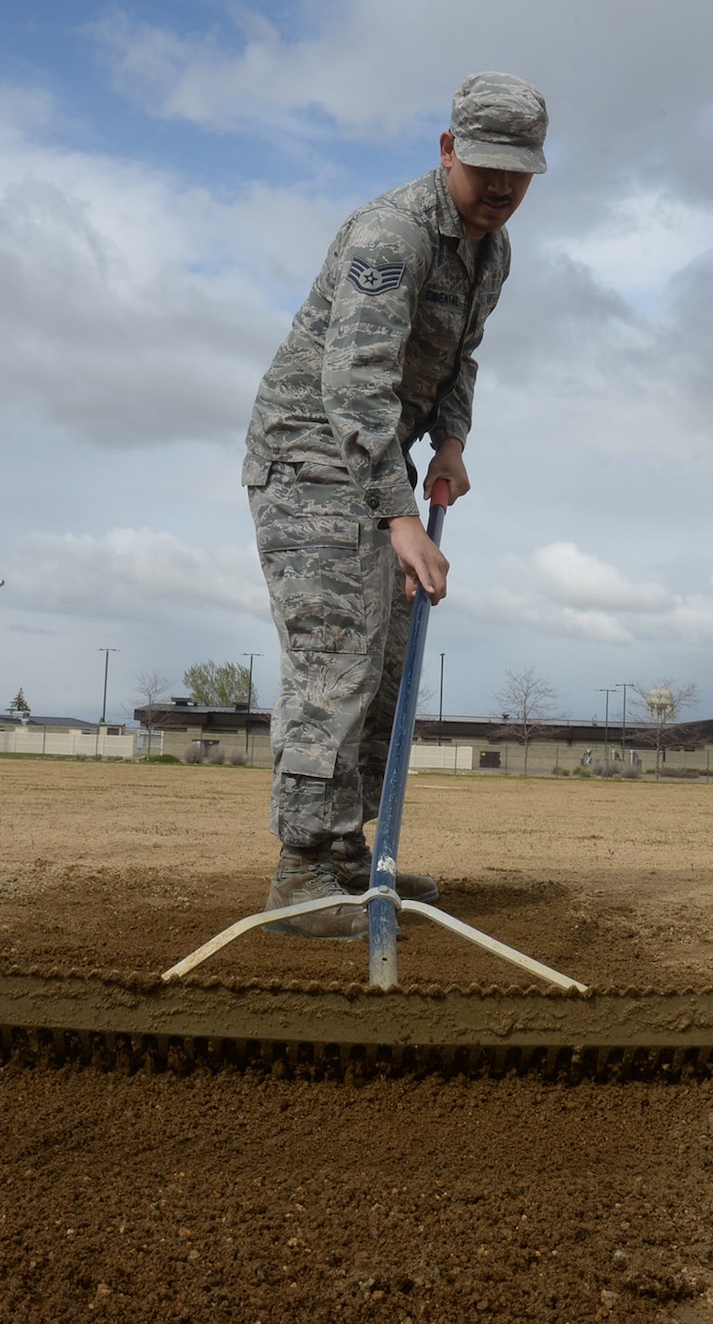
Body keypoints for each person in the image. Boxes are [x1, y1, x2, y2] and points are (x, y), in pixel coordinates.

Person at [242, 72, 548, 939]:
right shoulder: (392, 235)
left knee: (387, 664)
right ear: (448, 149)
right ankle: (302, 872)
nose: (500, 189)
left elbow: (462, 357)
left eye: (518, 174)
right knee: (337, 652)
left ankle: (349, 858)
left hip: (383, 465)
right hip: (312, 457)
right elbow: (354, 382)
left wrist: (451, 441)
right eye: (486, 166)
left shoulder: (493, 251)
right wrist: (398, 512)